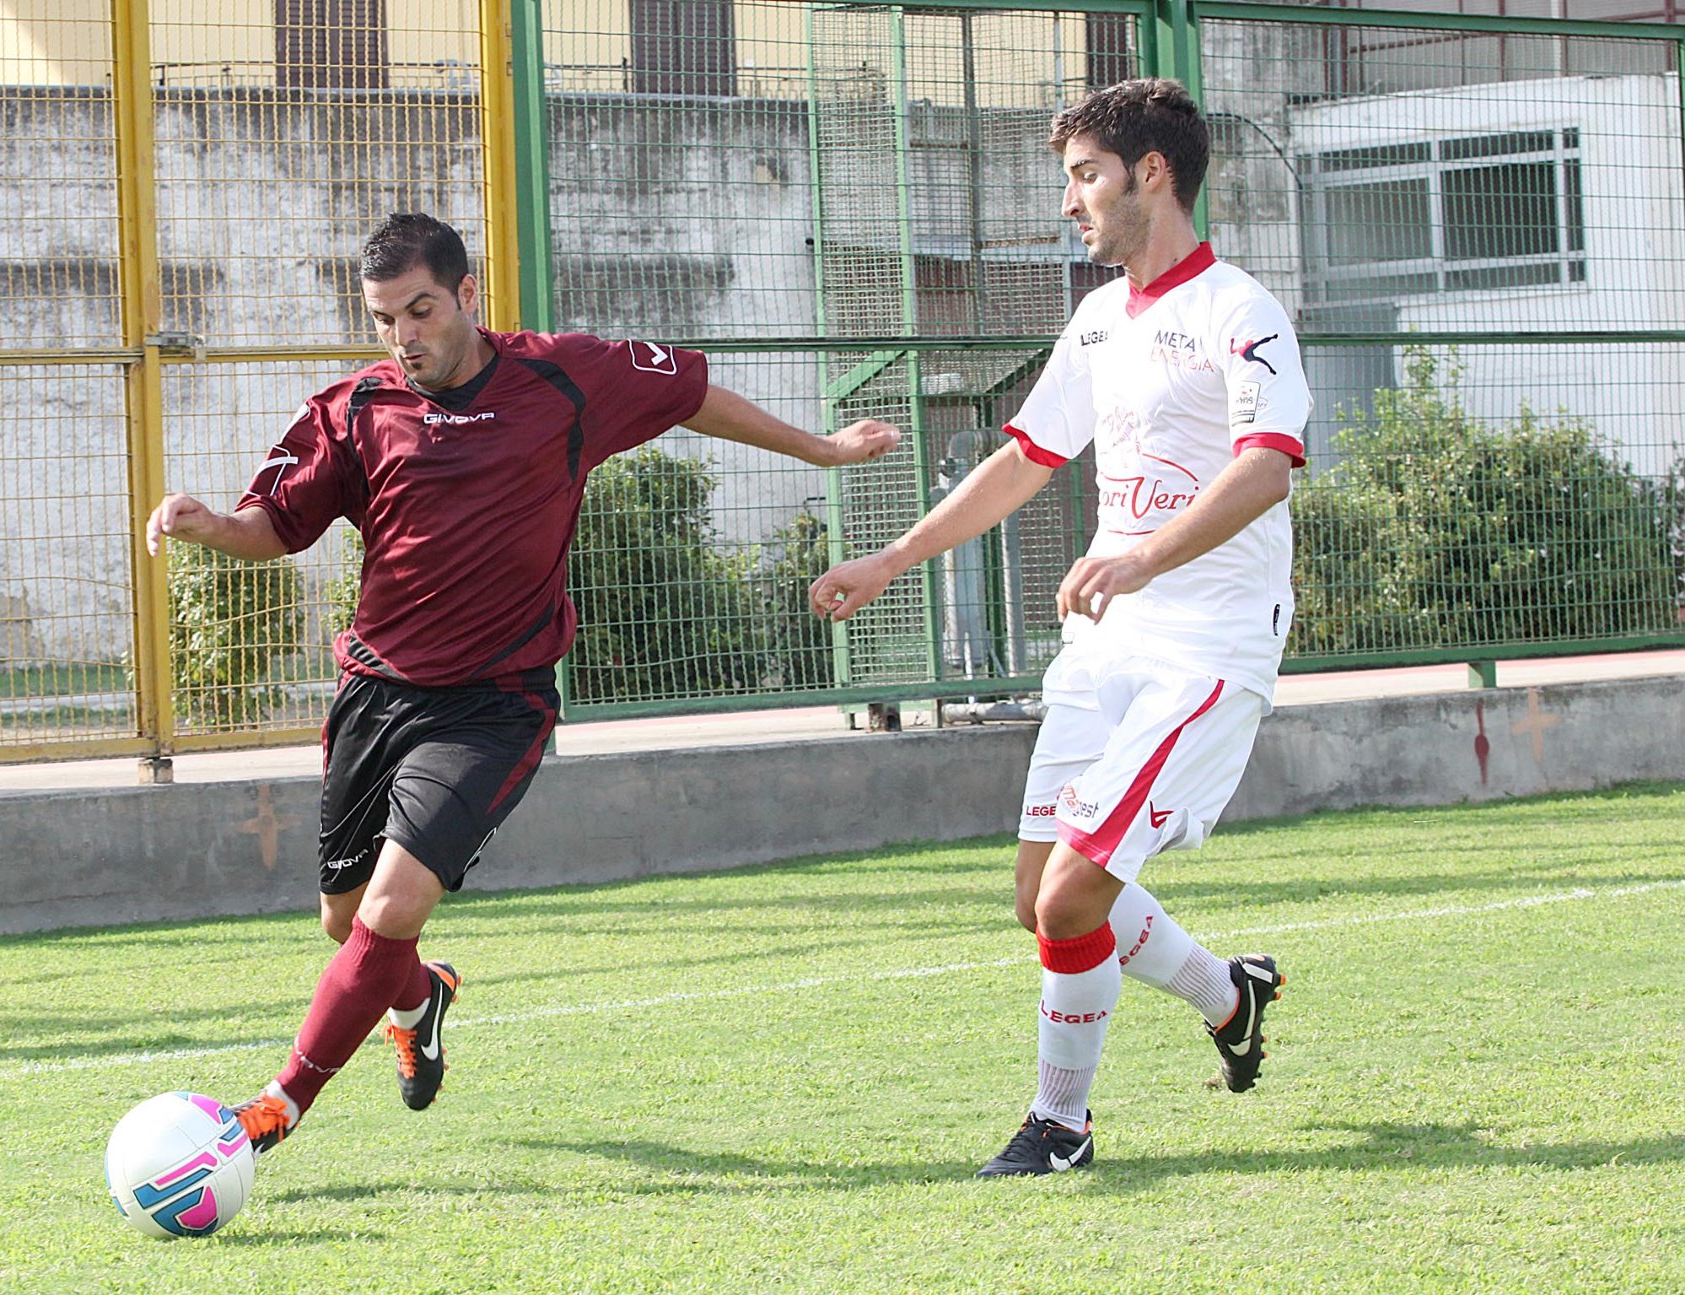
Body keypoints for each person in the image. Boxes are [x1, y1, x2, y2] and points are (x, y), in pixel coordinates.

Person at [145, 212, 900, 1154]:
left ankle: (275, 1106)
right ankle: (421, 998)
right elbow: (276, 525)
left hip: (496, 702)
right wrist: (213, 524)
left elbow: (692, 392)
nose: (404, 335)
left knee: (389, 909)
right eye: (384, 319)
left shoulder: (562, 375)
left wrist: (823, 450)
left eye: (420, 310)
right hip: (379, 692)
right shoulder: (352, 409)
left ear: (468, 294)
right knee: (346, 923)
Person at [809, 79, 1310, 1177]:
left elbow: (1263, 469)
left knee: (1075, 892)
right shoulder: (1095, 319)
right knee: (1038, 898)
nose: (1070, 202)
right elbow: (1025, 461)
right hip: (1106, 647)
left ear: (1151, 173)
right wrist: (891, 557)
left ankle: (1059, 1125)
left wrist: (1137, 553)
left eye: (1085, 175)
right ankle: (1231, 993)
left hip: (1206, 651)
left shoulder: (1239, 309)